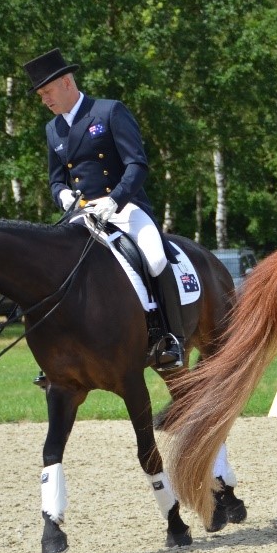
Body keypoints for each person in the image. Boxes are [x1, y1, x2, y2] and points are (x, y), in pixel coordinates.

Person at [24, 48, 185, 372]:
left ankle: (169, 338)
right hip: (82, 214)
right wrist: (64, 196)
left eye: (47, 92)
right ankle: (57, 352)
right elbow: (56, 180)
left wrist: (116, 200)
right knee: (53, 268)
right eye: (40, 95)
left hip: (123, 207)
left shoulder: (109, 112)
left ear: (67, 82)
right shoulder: (53, 129)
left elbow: (137, 164)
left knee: (154, 257)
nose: (45, 100)